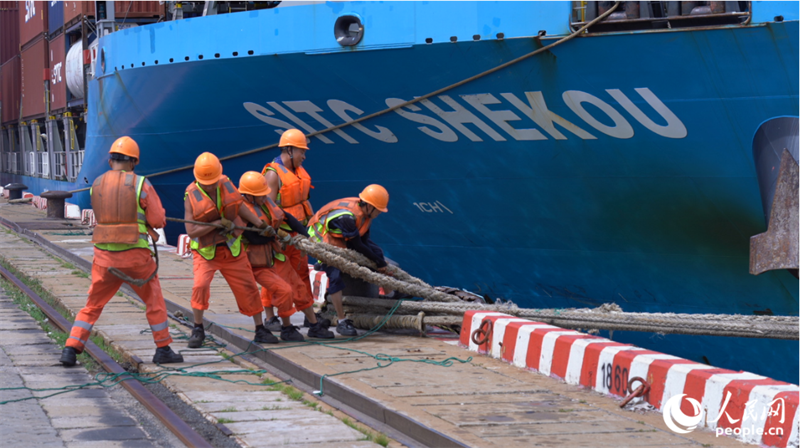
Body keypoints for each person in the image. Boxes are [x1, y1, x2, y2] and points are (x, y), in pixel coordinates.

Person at [60, 137, 183, 366]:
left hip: (104, 258)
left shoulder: (97, 183)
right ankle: (163, 349)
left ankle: (71, 347)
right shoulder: (140, 184)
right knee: (154, 300)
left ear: (110, 160)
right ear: (134, 162)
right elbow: (157, 220)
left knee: (93, 305)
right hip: (136, 257)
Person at [184, 152, 276, 348]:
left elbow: (239, 206)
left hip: (232, 249)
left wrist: (259, 224)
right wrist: (217, 223)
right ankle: (197, 328)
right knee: (200, 286)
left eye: (213, 182)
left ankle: (260, 328)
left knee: (249, 287)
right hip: (206, 252)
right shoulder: (190, 195)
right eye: (206, 183)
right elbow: (191, 231)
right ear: (198, 179)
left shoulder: (225, 183)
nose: (210, 186)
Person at [237, 172, 334, 341]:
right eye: (259, 196)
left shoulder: (266, 203)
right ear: (248, 196)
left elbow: (287, 218)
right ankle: (284, 326)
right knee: (283, 291)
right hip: (253, 260)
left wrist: (306, 237)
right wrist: (277, 235)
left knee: (298, 287)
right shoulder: (241, 210)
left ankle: (313, 325)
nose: (264, 198)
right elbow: (253, 237)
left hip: (274, 255)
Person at [306, 185, 390, 336]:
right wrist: (380, 263)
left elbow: (363, 240)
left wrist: (379, 260)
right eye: (378, 209)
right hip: (324, 241)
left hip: (342, 237)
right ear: (370, 206)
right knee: (336, 276)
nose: (379, 213)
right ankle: (341, 320)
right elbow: (356, 245)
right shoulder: (346, 217)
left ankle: (390, 296)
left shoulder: (365, 214)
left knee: (378, 252)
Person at [261, 129, 322, 330]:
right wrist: (274, 237)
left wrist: (312, 231)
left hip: (298, 235)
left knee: (302, 273)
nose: (304, 157)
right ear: (288, 150)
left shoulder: (299, 174)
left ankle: (308, 315)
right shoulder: (273, 174)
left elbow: (304, 202)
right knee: (274, 275)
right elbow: (268, 210)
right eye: (301, 152)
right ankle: (270, 317)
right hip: (281, 236)